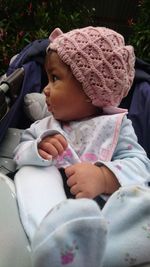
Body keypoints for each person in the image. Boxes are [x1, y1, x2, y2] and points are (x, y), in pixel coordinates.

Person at [13, 26, 150, 267]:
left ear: (90, 90)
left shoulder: (116, 127)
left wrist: (104, 176)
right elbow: (19, 152)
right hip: (53, 209)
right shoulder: (46, 126)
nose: (45, 89)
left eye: (54, 79)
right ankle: (56, 243)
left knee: (139, 198)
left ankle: (104, 251)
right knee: (31, 172)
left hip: (107, 217)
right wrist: (38, 149)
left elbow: (141, 166)